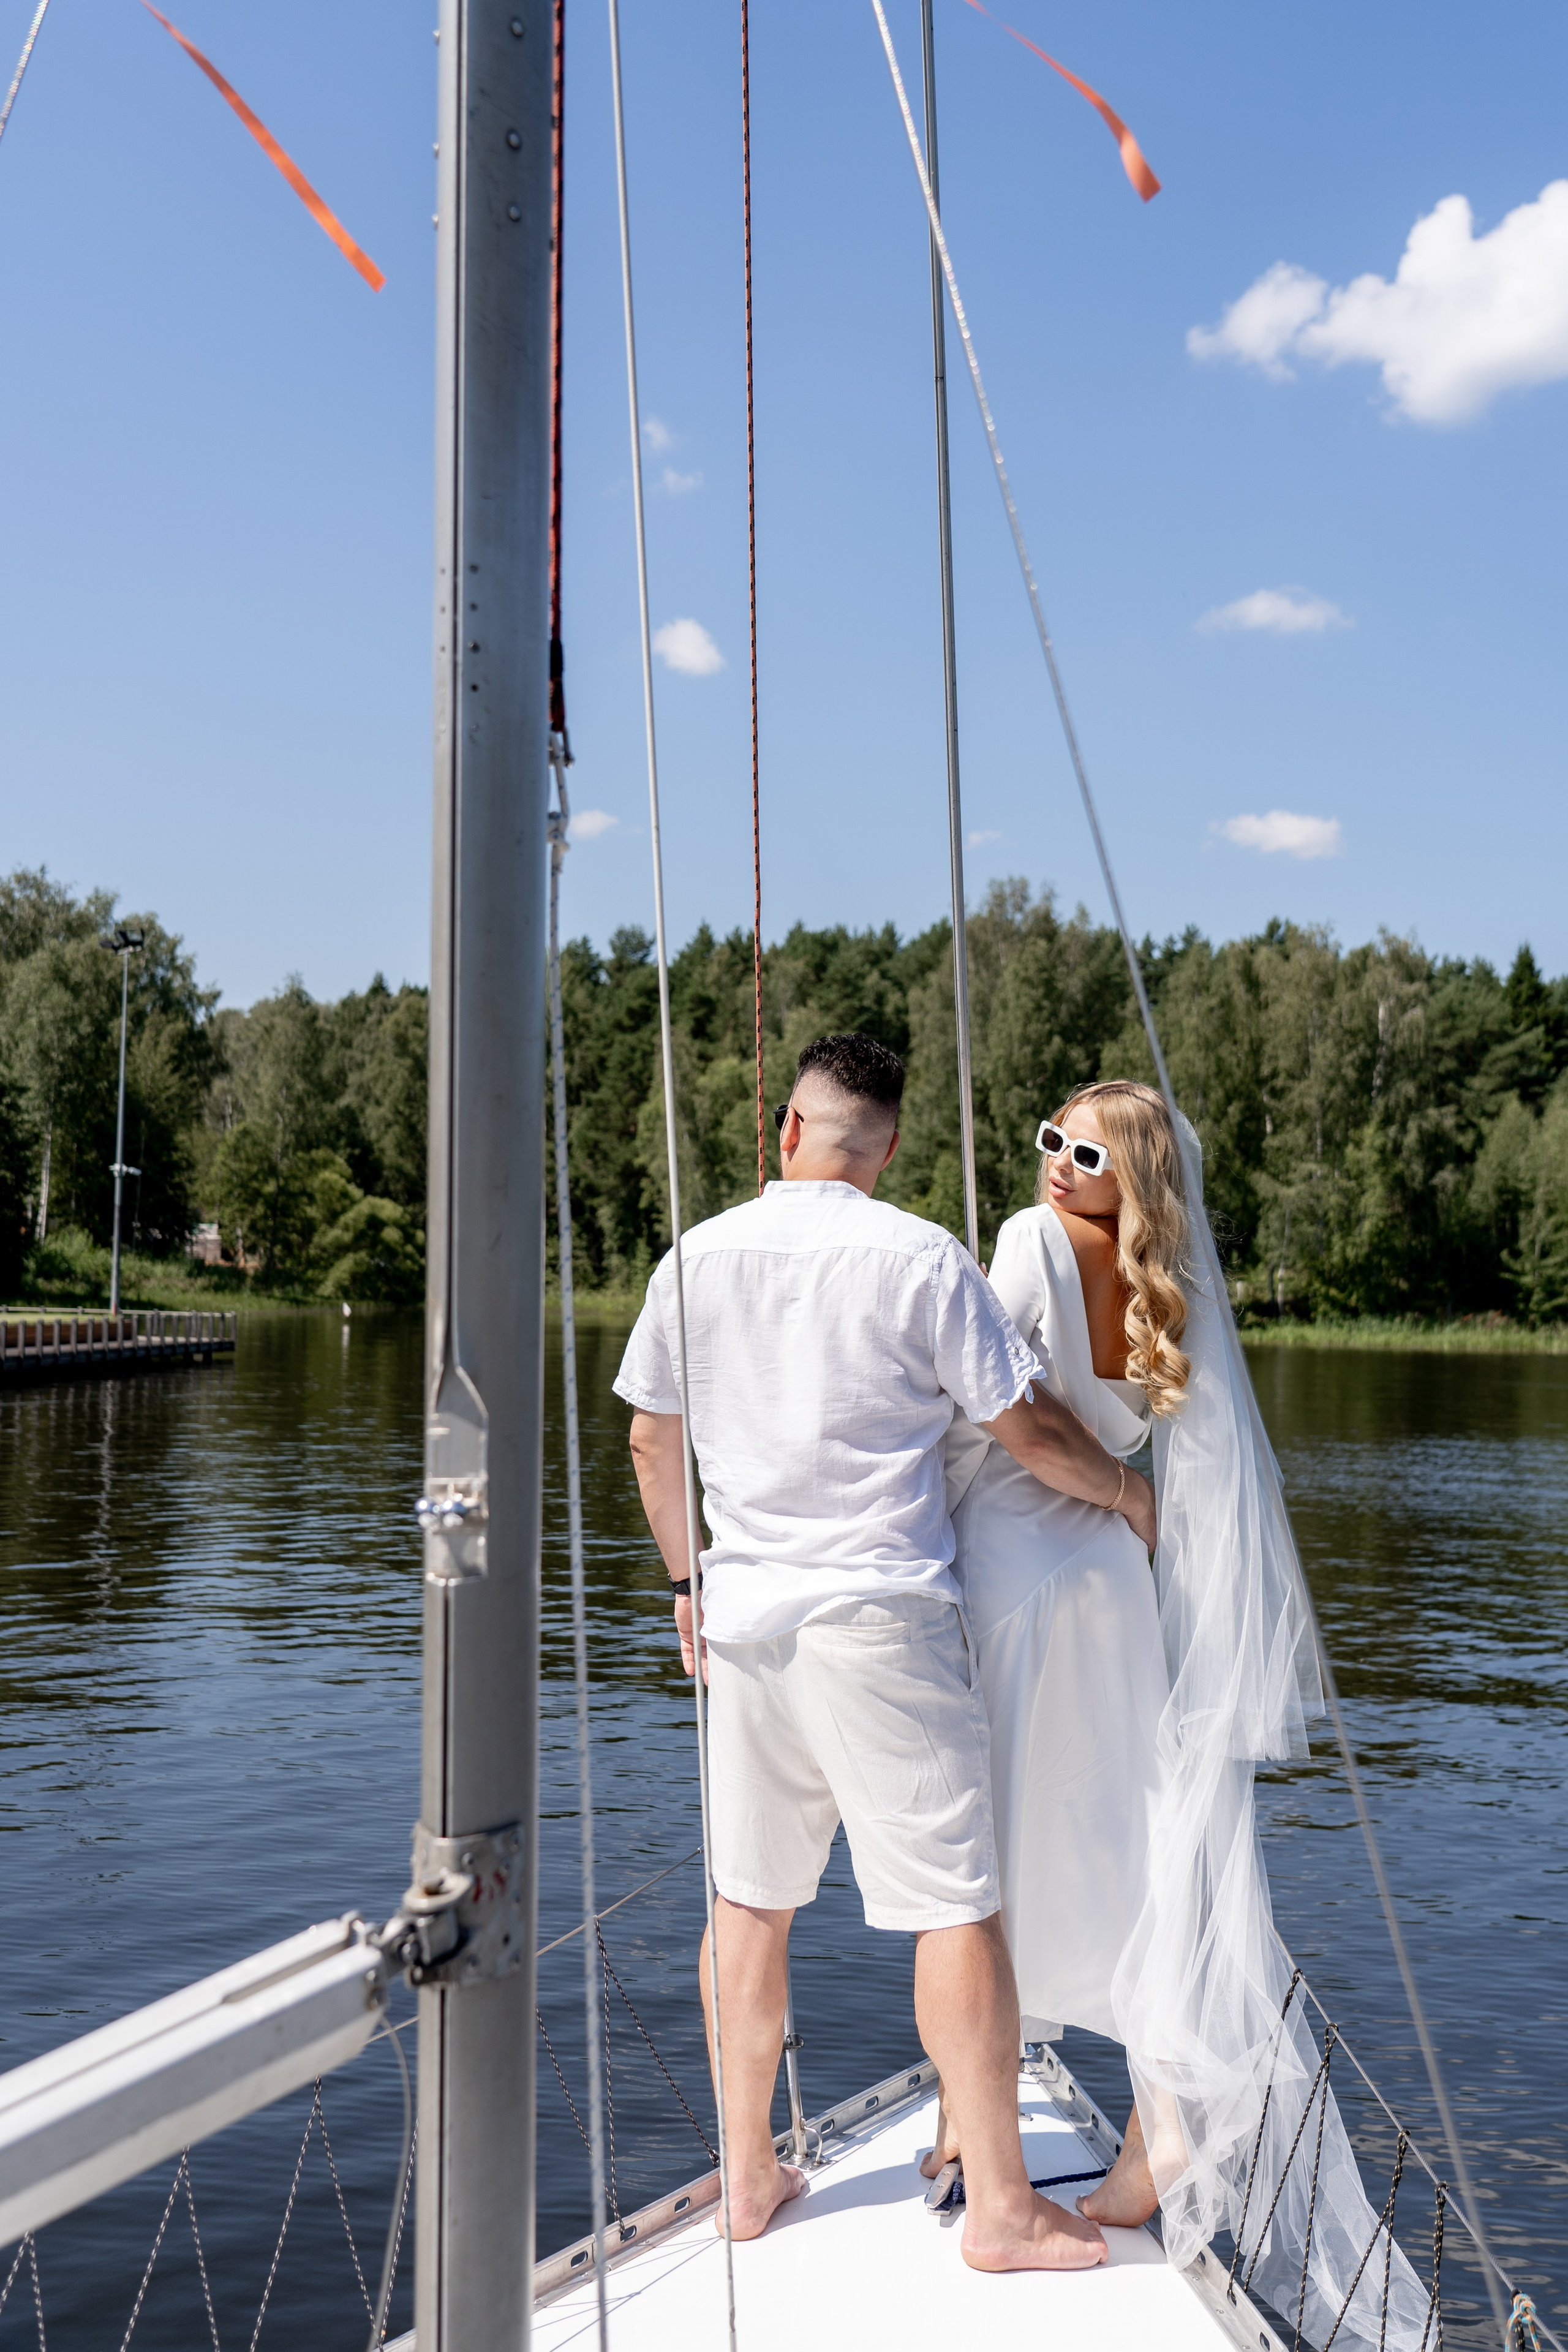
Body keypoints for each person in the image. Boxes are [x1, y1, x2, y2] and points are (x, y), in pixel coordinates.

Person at [614, 1034, 1155, 2273]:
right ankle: (1004, 2211)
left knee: (749, 1905)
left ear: (787, 1132)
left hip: (746, 1620)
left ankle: (747, 2177)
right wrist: (1131, 1498)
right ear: (890, 1146)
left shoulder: (695, 1255)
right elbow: (1027, 1431)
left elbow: (650, 1438)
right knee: (953, 1909)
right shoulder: (922, 1256)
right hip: (880, 1622)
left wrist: (688, 1583)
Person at [944, 1080, 1429, 2347]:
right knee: (1131, 1857)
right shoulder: (1168, 1287)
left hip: (1016, 1569)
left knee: (986, 1855)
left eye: (1087, 1151)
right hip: (1112, 1577)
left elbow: (983, 1404)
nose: (1057, 1162)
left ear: (1133, 1175)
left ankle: (972, 2125)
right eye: (1050, 1138)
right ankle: (1152, 2125)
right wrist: (1129, 1502)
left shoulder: (1029, 1240)